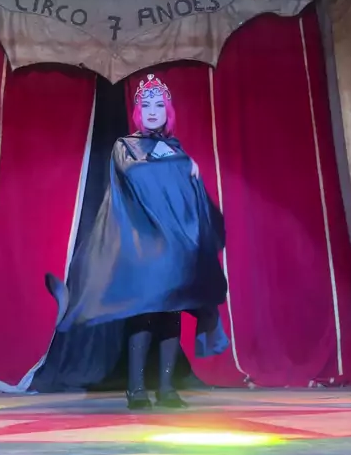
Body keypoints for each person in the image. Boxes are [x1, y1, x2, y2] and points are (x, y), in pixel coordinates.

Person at [46, 73, 229, 410]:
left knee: (171, 313)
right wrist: (178, 167)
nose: (153, 110)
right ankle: (136, 388)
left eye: (159, 104)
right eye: (146, 105)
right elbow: (135, 176)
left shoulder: (175, 148)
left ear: (168, 110)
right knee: (144, 313)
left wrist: (188, 168)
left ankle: (167, 389)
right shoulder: (126, 146)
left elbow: (187, 195)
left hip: (175, 249)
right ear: (138, 112)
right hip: (145, 246)